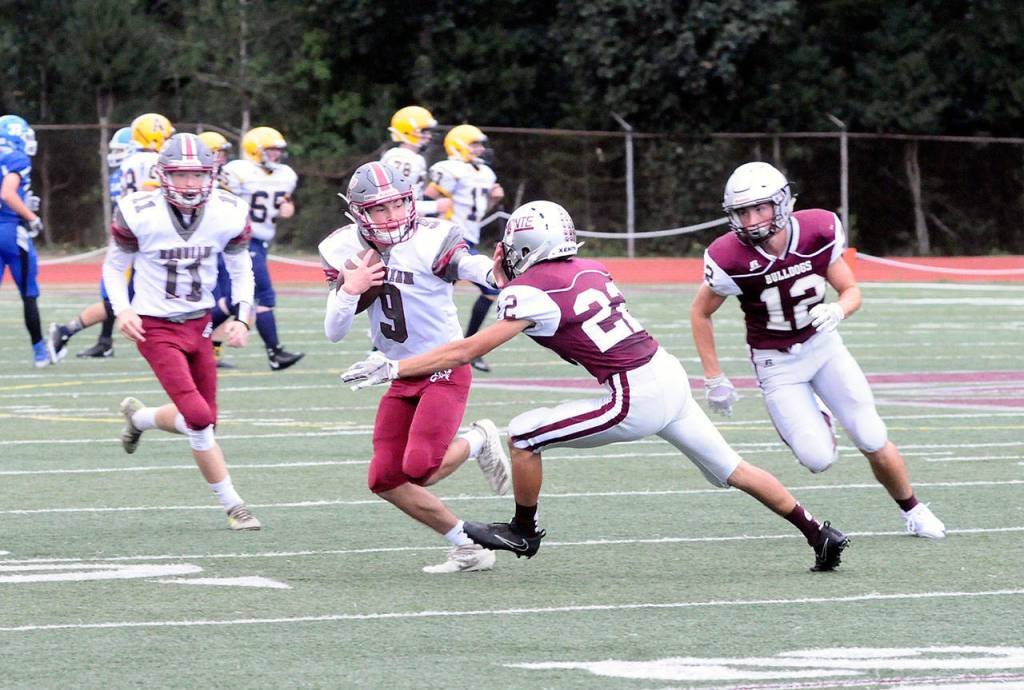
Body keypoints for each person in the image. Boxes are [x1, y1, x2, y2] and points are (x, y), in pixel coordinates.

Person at [342, 200, 851, 572]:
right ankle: (819, 533)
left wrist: (394, 368)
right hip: (664, 373)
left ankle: (523, 531)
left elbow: (467, 350)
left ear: (528, 247)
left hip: (635, 393)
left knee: (523, 435)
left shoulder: (530, 291)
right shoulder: (590, 267)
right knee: (734, 469)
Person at [690, 161, 946, 539]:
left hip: (824, 348)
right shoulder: (729, 256)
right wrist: (714, 377)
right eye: (742, 212)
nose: (750, 220)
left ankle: (914, 509)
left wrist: (838, 309)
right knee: (817, 459)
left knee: (871, 436)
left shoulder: (817, 231)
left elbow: (852, 291)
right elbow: (700, 312)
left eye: (758, 208)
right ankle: (819, 410)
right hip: (776, 363)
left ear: (781, 203)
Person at [320, 161, 513, 574]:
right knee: (384, 479)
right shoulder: (340, 248)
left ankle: (479, 439)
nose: (391, 217)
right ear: (358, 212)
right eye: (378, 209)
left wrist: (496, 276)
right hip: (397, 369)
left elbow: (468, 265)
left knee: (420, 469)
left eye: (397, 205)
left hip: (444, 362)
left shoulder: (433, 236)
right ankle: (467, 546)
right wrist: (348, 291)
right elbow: (334, 332)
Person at [102, 133, 261, 531]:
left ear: (212, 174)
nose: (190, 184)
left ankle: (140, 418)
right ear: (163, 175)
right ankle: (235, 506)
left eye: (197, 175)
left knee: (206, 420)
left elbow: (241, 268)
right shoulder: (139, 211)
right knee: (198, 416)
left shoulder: (227, 210)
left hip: (200, 321)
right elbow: (113, 266)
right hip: (154, 326)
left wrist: (241, 316)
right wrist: (122, 310)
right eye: (181, 175)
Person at [49, 126, 139, 360]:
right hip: (133, 243)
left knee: (117, 296)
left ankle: (104, 342)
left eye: (120, 150)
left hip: (128, 240)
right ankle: (67, 330)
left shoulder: (124, 173)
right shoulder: (134, 172)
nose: (116, 154)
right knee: (118, 299)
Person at [220, 126, 303, 371]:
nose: (275, 155)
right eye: (270, 150)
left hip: (260, 240)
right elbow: (221, 201)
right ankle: (275, 352)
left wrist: (287, 206)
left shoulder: (286, 174)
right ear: (254, 151)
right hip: (242, 238)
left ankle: (202, 340)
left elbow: (284, 202)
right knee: (264, 294)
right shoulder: (237, 171)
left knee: (231, 299)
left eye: (278, 150)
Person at [425, 124, 504, 372]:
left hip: (467, 239)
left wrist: (493, 200)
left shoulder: (485, 174)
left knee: (432, 293)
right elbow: (428, 199)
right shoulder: (448, 169)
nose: (480, 149)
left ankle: (466, 349)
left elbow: (476, 213)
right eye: (475, 144)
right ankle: (468, 349)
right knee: (491, 286)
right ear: (458, 145)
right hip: (447, 240)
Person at [0, 114, 51, 368]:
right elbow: (8, 193)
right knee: (28, 294)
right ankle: (40, 352)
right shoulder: (16, 158)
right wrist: (30, 215)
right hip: (11, 231)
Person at [198, 131, 239, 369]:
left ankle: (211, 351)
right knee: (211, 298)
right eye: (217, 153)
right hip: (206, 246)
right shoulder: (196, 181)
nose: (222, 158)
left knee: (228, 298)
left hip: (225, 243)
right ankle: (200, 346)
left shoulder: (224, 178)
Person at [380, 106, 452, 218]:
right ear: (407, 132)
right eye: (424, 132)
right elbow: (393, 202)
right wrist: (435, 206)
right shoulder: (401, 158)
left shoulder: (415, 158)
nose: (428, 136)